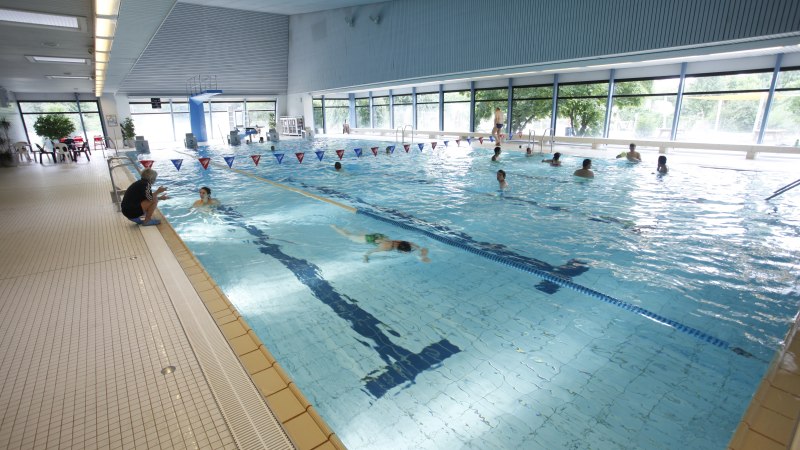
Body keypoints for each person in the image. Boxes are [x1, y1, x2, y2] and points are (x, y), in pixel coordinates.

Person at [331, 225, 430, 263]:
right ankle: (334, 227)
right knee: (348, 235)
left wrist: (420, 251)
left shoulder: (402, 242)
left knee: (359, 232)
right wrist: (365, 257)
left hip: (379, 236)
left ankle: (352, 227)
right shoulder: (386, 248)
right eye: (405, 252)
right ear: (400, 250)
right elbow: (371, 251)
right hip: (368, 239)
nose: (406, 253)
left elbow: (412, 244)